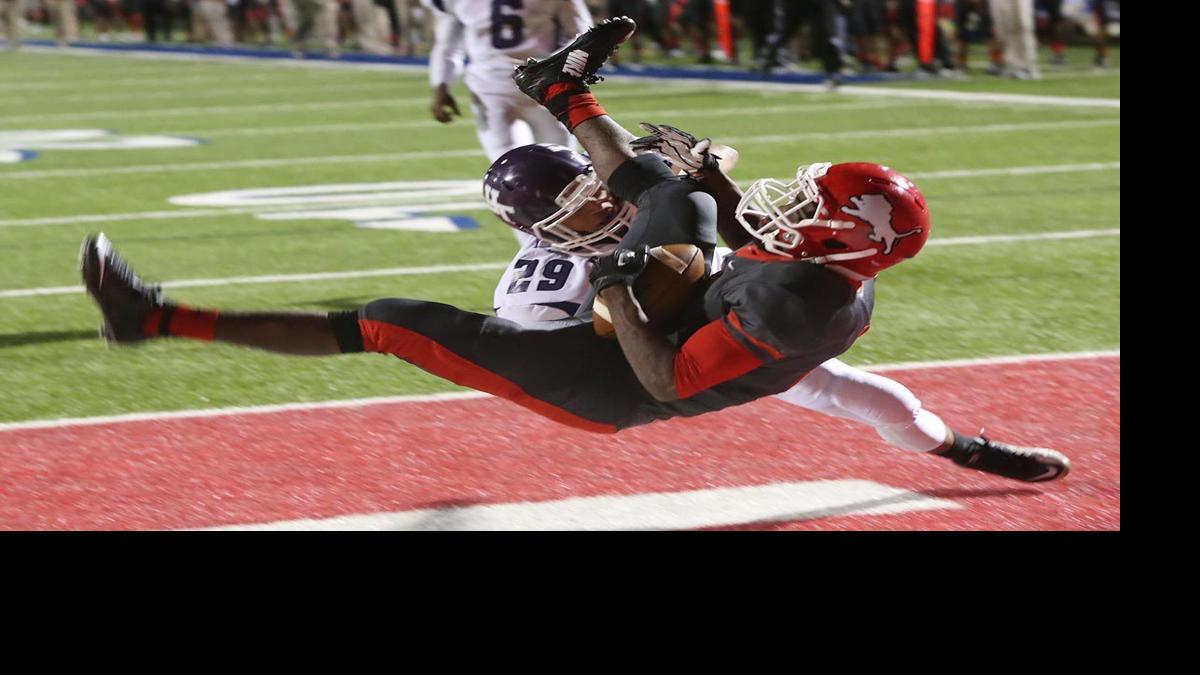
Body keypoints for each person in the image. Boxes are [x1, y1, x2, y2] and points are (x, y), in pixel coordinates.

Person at [79, 18, 1067, 483]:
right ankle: (565, 88)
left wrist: (616, 282)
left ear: (837, 244)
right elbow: (717, 230)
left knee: (387, 322)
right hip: (705, 323)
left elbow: (671, 385)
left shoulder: (794, 302)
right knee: (671, 194)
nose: (788, 200)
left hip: (629, 380)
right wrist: (706, 191)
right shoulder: (818, 266)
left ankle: (153, 318)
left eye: (809, 204)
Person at [484, 136, 1068, 482]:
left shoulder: (638, 207)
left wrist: (702, 170)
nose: (607, 202)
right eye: (585, 207)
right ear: (542, 228)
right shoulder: (536, 291)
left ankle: (963, 450)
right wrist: (621, 306)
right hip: (674, 358)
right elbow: (567, 363)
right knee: (842, 383)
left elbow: (708, 173)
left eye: (598, 186)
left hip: (734, 318)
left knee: (875, 398)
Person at [422, 0, 593, 165]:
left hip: (498, 88)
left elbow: (448, 47)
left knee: (516, 169)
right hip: (543, 87)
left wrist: (441, 86)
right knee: (560, 168)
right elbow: (583, 36)